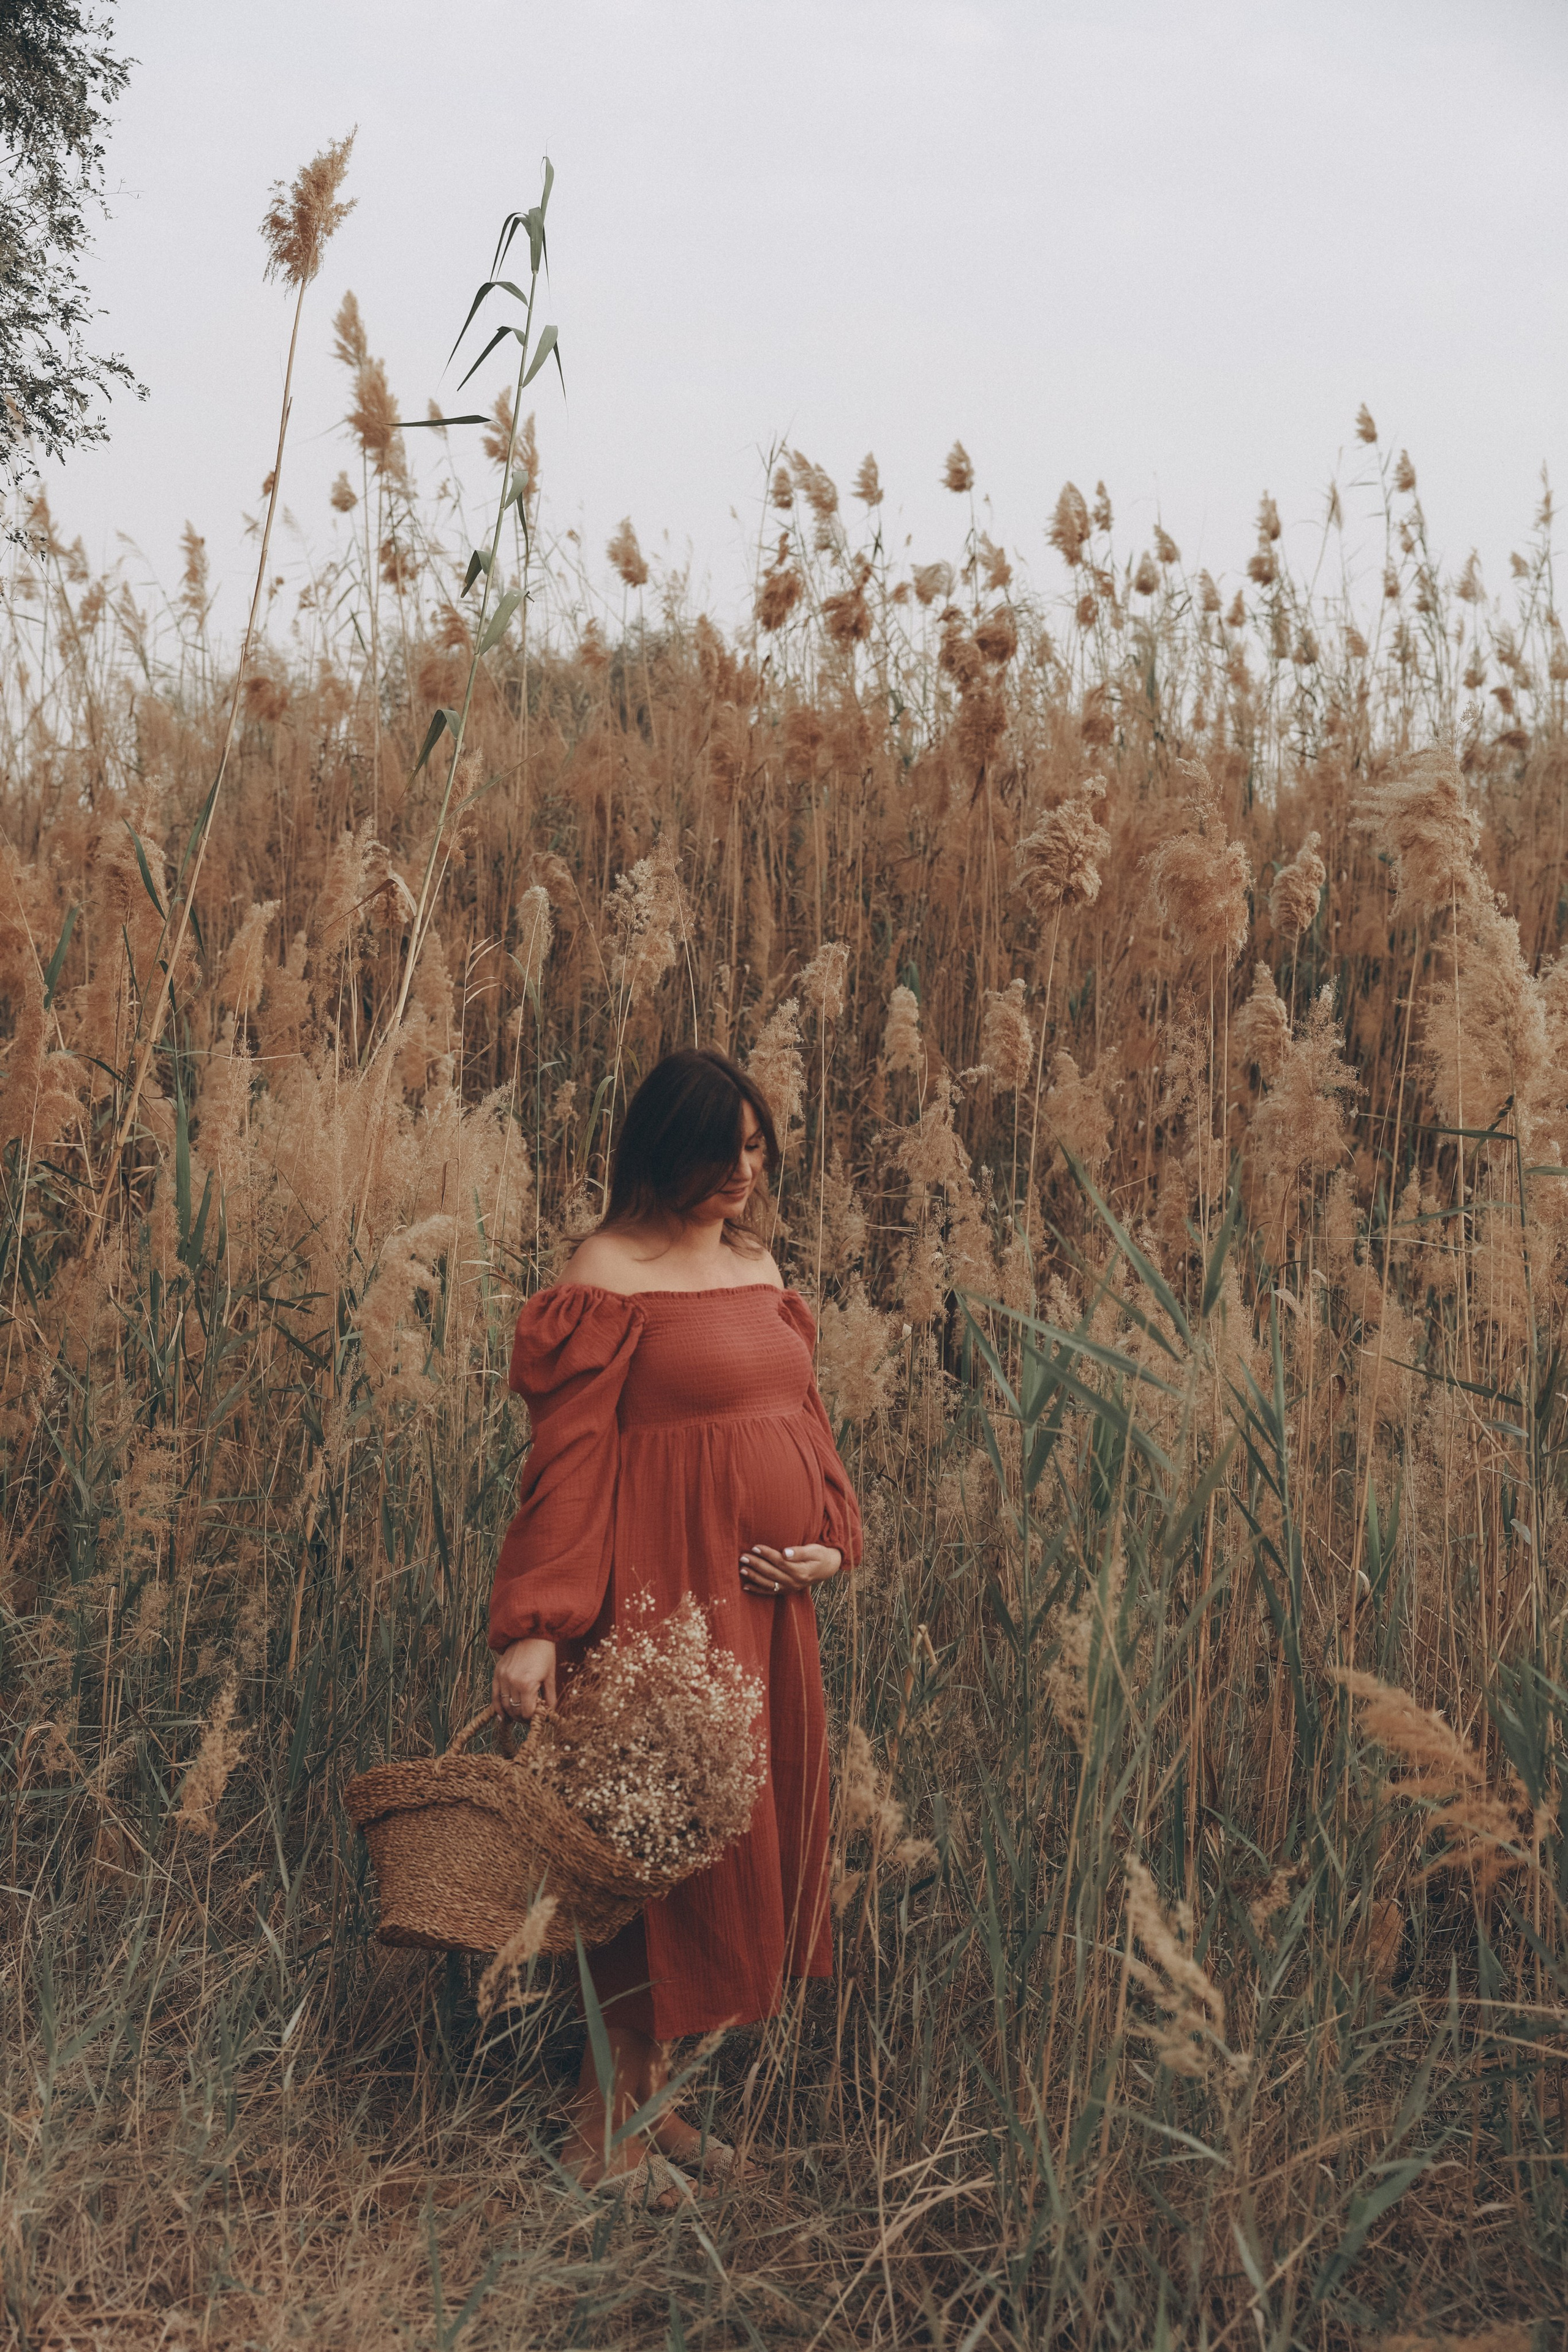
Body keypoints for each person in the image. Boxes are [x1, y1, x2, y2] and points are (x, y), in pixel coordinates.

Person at [488, 1046, 861, 2201]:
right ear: (663, 1149)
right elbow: (571, 1465)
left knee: (716, 1847)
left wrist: (832, 1540)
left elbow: (803, 1413)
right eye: (722, 1150)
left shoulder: (757, 1262)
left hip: (761, 1607)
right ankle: (605, 2139)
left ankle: (656, 2104)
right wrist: (538, 1624)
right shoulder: (607, 1275)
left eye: (757, 1148)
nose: (745, 1172)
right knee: (641, 1868)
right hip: (658, 1608)